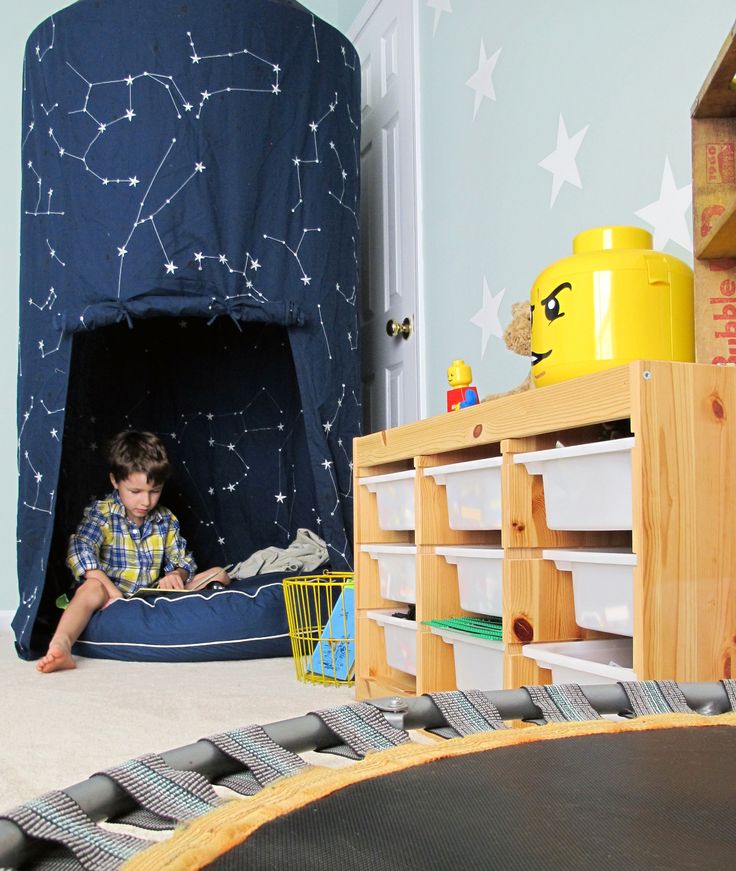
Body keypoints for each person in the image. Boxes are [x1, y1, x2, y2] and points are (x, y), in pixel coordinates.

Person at [36, 430, 230, 673]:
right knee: (90, 587)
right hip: (108, 595)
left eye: (155, 491)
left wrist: (177, 575)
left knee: (218, 573)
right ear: (115, 481)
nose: (146, 502)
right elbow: (80, 553)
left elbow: (183, 560)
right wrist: (112, 591)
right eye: (135, 492)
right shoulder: (102, 513)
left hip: (148, 595)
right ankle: (61, 645)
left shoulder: (165, 519)